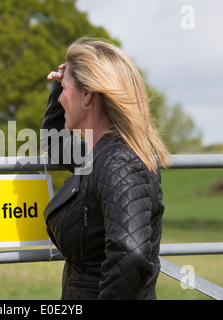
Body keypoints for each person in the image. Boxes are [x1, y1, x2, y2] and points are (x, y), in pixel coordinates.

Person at [41, 37, 170, 300]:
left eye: (65, 89)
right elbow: (54, 142)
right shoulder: (99, 154)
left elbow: (130, 255)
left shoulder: (119, 160)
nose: (62, 96)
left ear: (87, 95)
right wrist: (59, 89)